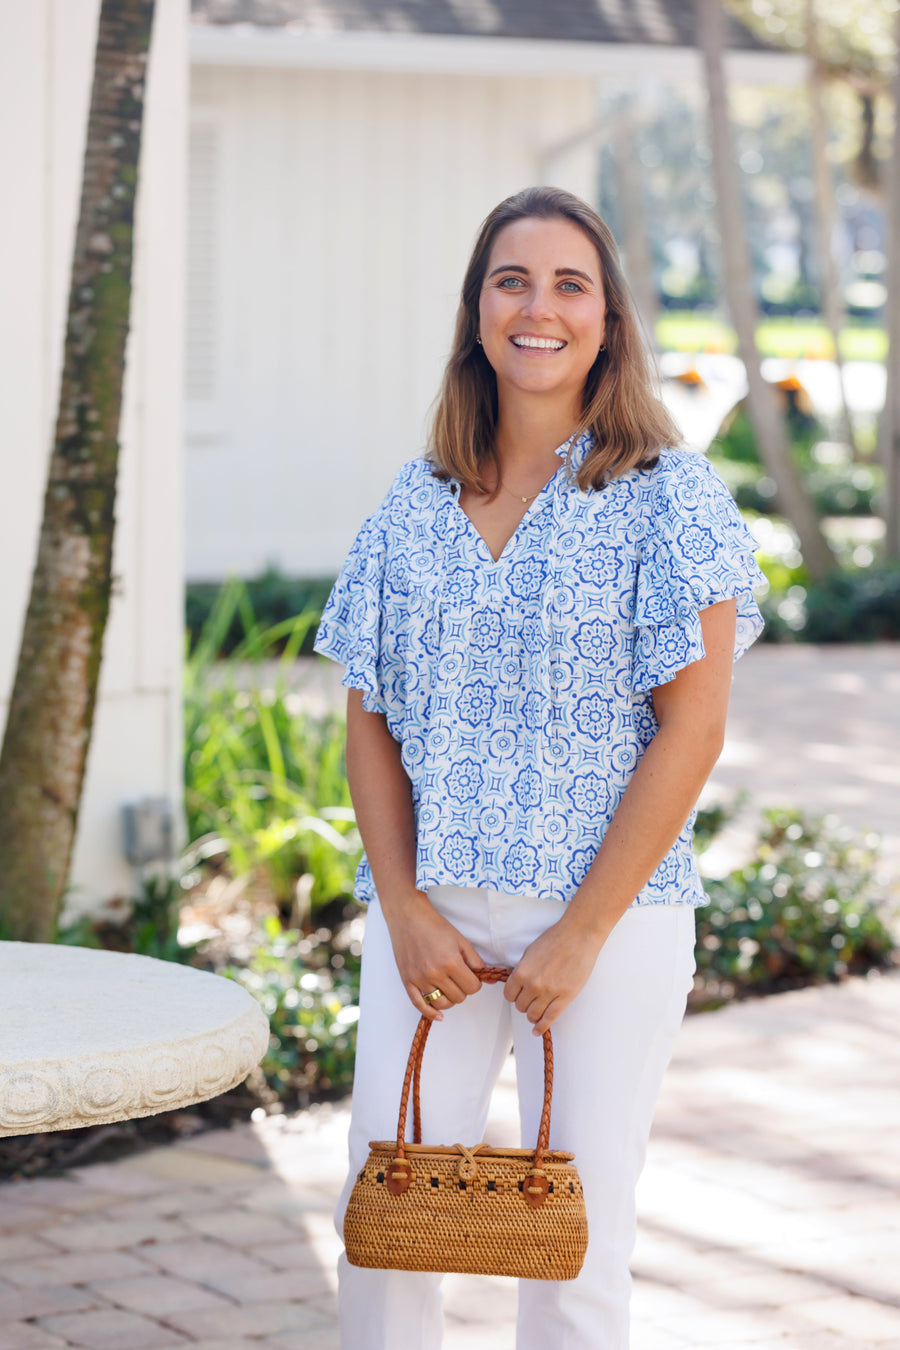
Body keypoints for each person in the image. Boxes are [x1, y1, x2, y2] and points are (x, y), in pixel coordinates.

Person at [313, 185, 767, 1350]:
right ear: (476, 311)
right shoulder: (412, 505)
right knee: (390, 1229)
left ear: (608, 320)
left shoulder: (670, 499)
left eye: (572, 284)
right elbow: (368, 720)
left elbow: (693, 728)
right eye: (512, 279)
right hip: (433, 931)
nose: (539, 308)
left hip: (608, 927)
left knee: (572, 1252)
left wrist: (580, 933)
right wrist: (404, 908)